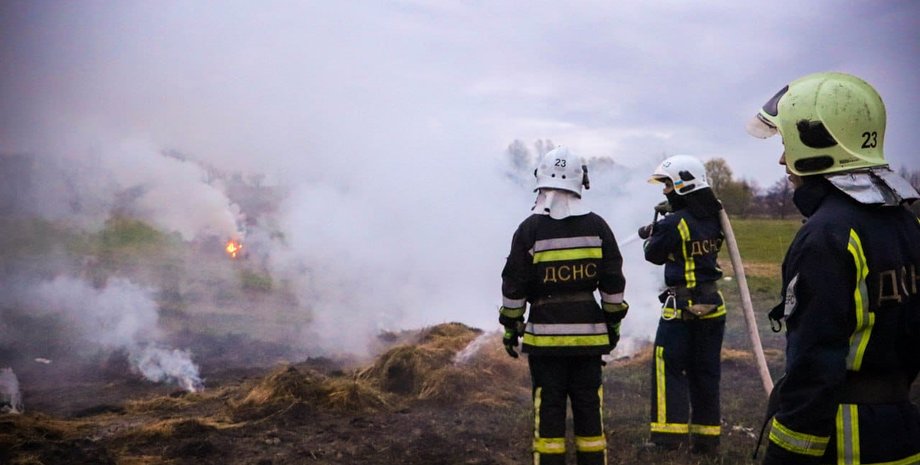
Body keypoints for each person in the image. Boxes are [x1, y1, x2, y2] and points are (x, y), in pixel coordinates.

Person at [746, 71, 920, 464]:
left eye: (787, 143)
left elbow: (814, 365)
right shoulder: (908, 224)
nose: (780, 159)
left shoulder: (827, 235)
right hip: (902, 433)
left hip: (844, 440)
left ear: (818, 140)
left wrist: (786, 454)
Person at [500, 146, 628, 465]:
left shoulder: (529, 229)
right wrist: (612, 327)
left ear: (540, 180)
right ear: (581, 181)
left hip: (545, 342)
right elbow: (613, 285)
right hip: (588, 340)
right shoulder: (598, 227)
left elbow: (514, 285)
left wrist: (511, 327)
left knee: (549, 410)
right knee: (589, 409)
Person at [638, 154, 727, 454]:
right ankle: (706, 440)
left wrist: (657, 229)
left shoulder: (675, 223)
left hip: (681, 309)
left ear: (682, 185)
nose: (664, 191)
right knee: (706, 372)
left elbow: (653, 255)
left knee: (670, 368)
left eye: (667, 185)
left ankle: (667, 439)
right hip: (713, 306)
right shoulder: (715, 218)